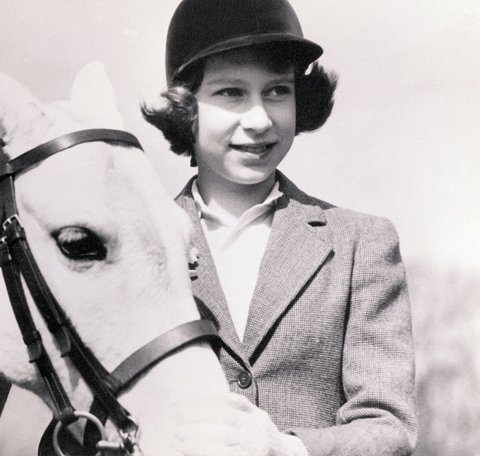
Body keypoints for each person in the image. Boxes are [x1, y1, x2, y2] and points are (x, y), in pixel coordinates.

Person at [141, 0, 418, 455]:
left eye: (277, 91)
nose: (260, 119)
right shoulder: (138, 244)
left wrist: (283, 449)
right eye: (231, 93)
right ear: (185, 107)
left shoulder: (360, 243)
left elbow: (390, 427)